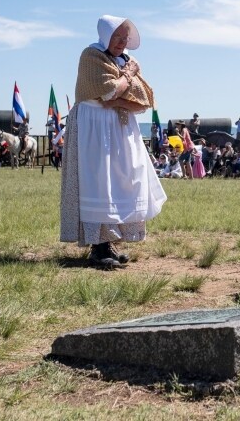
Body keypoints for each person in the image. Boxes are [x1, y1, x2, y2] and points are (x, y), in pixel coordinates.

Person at [60, 15, 167, 270]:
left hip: (118, 126)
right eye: (117, 36)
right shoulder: (92, 56)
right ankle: (98, 247)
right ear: (106, 36)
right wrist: (127, 78)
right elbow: (108, 90)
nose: (121, 42)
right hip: (93, 126)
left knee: (121, 180)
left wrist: (119, 98)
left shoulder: (126, 61)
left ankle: (110, 241)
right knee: (98, 181)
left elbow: (143, 101)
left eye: (124, 37)